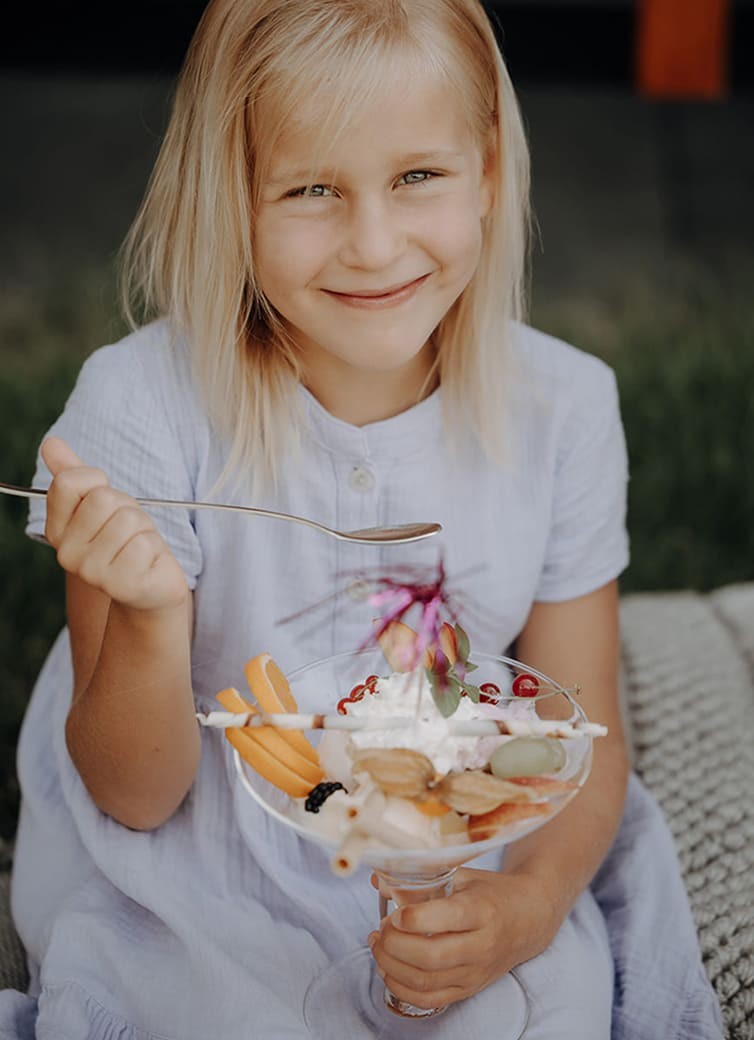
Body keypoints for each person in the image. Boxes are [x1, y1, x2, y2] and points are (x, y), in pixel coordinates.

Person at [0, 1, 722, 1038]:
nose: (373, 245)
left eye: (417, 177)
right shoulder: (141, 411)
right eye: (310, 190)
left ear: (485, 171)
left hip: (445, 811)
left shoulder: (561, 409)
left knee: (532, 1008)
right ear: (231, 198)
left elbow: (584, 731)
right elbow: (134, 795)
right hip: (206, 830)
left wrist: (523, 907)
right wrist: (151, 616)